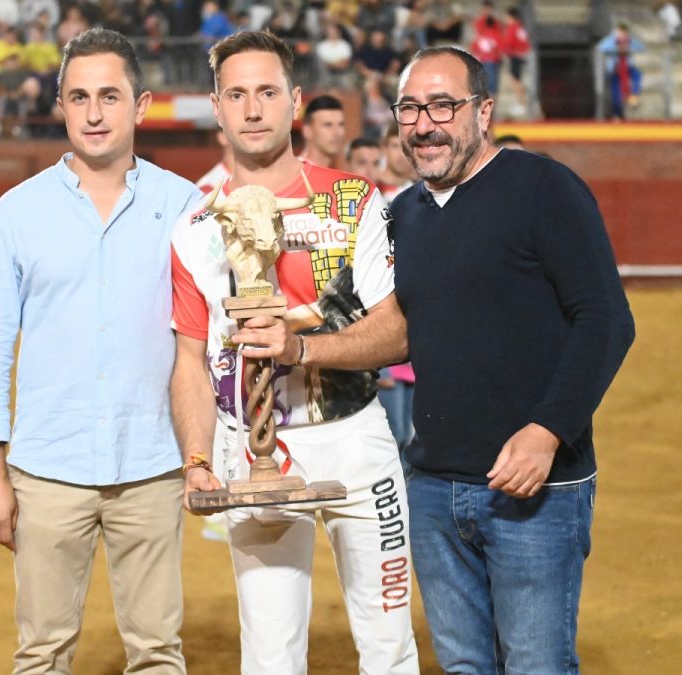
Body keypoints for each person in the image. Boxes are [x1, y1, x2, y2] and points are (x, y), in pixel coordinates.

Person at [232, 46, 635, 674]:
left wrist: (547, 431)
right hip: (435, 487)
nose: (424, 124)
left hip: (534, 487)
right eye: (410, 109)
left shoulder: (544, 188)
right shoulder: (405, 217)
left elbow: (607, 320)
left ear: (484, 111)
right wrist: (299, 340)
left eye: (443, 105)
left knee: (537, 665)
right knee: (465, 667)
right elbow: (397, 333)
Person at [169, 30, 419, 675]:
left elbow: (398, 333)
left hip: (356, 439)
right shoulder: (194, 226)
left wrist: (301, 346)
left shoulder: (354, 201)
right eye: (237, 94)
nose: (253, 109)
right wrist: (197, 459)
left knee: (390, 647)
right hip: (252, 448)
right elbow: (189, 362)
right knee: (271, 655)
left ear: (295, 102)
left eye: (267, 92)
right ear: (217, 108)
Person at [0, 28, 203, 675]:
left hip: (151, 465)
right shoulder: (16, 213)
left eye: (109, 96)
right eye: (79, 97)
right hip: (45, 472)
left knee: (158, 652)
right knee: (41, 653)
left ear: (142, 105)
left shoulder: (186, 206)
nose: (94, 114)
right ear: (62, 106)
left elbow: (206, 344)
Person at [598, 23, 645, 119]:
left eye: (624, 33)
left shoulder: (630, 41)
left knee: (637, 75)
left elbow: (641, 47)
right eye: (620, 33)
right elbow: (601, 47)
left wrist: (629, 45)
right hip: (615, 69)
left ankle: (633, 95)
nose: (622, 36)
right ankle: (617, 113)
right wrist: (614, 41)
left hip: (627, 67)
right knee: (616, 92)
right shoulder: (612, 41)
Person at [298, 93, 346, 168]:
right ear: (307, 131)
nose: (337, 132)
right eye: (328, 125)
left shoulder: (339, 176)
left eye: (341, 125)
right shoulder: (293, 174)